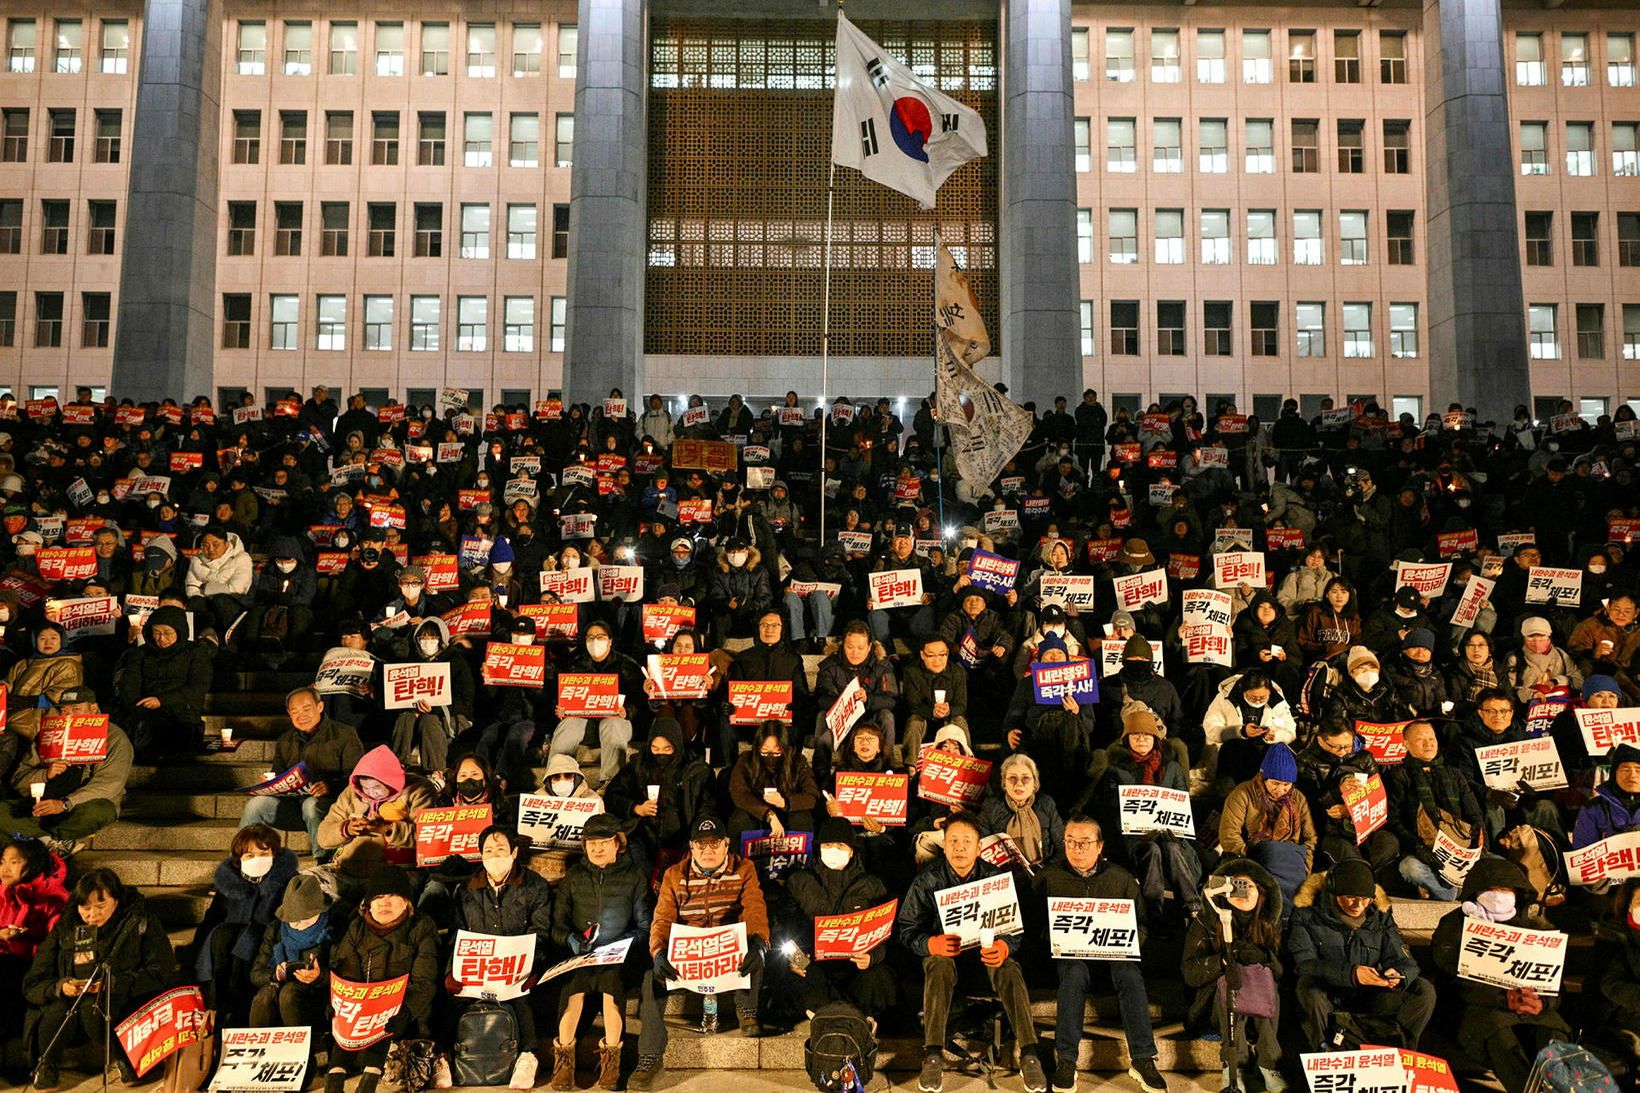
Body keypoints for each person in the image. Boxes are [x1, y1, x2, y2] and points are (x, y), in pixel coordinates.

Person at [896, 813, 1046, 1093]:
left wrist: (1005, 946)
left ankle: (1029, 1053)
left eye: (967, 841)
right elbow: (906, 929)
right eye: (953, 840)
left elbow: (1015, 930)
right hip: (946, 962)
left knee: (1010, 967)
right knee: (937, 963)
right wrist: (930, 943)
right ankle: (932, 1053)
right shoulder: (928, 880)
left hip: (984, 960)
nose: (960, 847)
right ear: (944, 846)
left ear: (978, 848)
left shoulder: (996, 877)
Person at [634, 816, 770, 1092]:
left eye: (714, 844)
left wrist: (759, 942)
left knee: (757, 942)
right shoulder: (674, 874)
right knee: (651, 978)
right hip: (691, 953)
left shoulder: (744, 869)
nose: (708, 851)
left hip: (727, 950)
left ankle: (746, 1006)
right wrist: (659, 952)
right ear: (692, 847)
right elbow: (662, 919)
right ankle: (649, 1056)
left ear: (726, 845)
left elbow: (754, 908)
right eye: (701, 845)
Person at [1034, 815, 1168, 1093]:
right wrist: (1056, 939)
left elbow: (1142, 924)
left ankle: (1143, 1058)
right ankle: (1067, 1060)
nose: (1077, 849)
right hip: (1069, 960)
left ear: (1099, 846)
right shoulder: (1049, 876)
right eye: (1070, 841)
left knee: (1129, 973)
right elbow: (1033, 924)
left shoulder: (1120, 879)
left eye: (1084, 842)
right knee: (1073, 972)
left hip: (1112, 959)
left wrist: (1129, 944)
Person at [23, 868, 177, 1089]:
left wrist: (114, 983)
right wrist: (60, 986)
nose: (92, 914)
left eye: (101, 906)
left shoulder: (139, 922)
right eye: (85, 908)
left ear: (116, 900)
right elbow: (33, 983)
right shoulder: (66, 928)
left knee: (93, 1008)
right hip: (71, 1002)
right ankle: (47, 1063)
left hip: (120, 997)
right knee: (58, 1009)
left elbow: (160, 971)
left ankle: (126, 1059)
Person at [1431, 858, 1571, 1093]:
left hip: (1533, 1010)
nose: (1499, 895)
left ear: (1517, 892)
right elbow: (1451, 976)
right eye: (1492, 889)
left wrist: (1543, 1001)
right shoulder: (1454, 925)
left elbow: (1556, 982)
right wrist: (1500, 998)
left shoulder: (1535, 930)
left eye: (1505, 889)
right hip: (1483, 1009)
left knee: (1553, 1035)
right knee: (1499, 1035)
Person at [439, 826, 554, 1092]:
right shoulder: (467, 889)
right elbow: (458, 934)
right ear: (480, 855)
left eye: (501, 849)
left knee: (521, 997)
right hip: (479, 966)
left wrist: (532, 966)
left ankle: (528, 1056)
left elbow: (540, 931)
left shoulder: (534, 885)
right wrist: (450, 971)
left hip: (517, 965)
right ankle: (444, 1056)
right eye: (488, 850)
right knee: (452, 998)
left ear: (514, 852)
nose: (495, 855)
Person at [1287, 858, 1436, 1051]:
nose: (1358, 905)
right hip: (1329, 995)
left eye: (1365, 899)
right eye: (1350, 897)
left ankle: (1401, 1049)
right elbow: (1304, 963)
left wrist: (1398, 975)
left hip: (1370, 996)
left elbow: (1404, 960)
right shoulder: (1306, 916)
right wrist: (1351, 973)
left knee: (1422, 989)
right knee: (1307, 987)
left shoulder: (1380, 918)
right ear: (1334, 891)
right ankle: (1324, 1052)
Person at [550, 813, 652, 1092]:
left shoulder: (634, 876)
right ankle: (564, 1061)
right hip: (582, 954)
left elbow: (644, 927)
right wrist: (571, 939)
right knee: (573, 991)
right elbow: (556, 925)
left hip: (618, 955)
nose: (597, 848)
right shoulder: (574, 877)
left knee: (611, 989)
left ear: (617, 843)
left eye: (604, 842)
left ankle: (611, 1061)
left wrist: (621, 944)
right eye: (591, 843)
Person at [326, 867, 441, 1093]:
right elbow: (346, 971)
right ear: (368, 904)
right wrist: (337, 1003)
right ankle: (334, 1080)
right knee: (344, 1017)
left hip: (404, 1013)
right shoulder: (357, 927)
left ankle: (368, 1082)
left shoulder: (421, 927)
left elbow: (425, 981)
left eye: (392, 896)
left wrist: (406, 1011)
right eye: (377, 897)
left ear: (406, 902)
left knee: (385, 1023)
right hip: (362, 1012)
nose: (384, 903)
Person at [1180, 859, 1286, 1092]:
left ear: (1261, 891)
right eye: (1237, 885)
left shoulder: (1269, 923)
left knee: (1266, 978)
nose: (1244, 892)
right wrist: (1222, 961)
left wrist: (1264, 958)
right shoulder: (1206, 923)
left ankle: (1269, 1063)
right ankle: (1233, 1064)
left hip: (1260, 1008)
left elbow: (1283, 973)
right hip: (1215, 1006)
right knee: (1229, 980)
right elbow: (1190, 973)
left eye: (1250, 886)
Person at [782, 816, 896, 1020]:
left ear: (852, 850)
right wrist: (795, 959)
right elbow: (783, 929)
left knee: (879, 978)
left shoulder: (871, 884)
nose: (833, 850)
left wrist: (872, 957)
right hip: (814, 964)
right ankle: (841, 1017)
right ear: (819, 848)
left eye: (840, 845)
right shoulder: (799, 881)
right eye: (827, 845)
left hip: (856, 965)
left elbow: (885, 932)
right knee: (801, 980)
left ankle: (861, 1020)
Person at [191, 823, 301, 1026]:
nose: (257, 859)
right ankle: (218, 1008)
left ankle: (233, 1012)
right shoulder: (230, 883)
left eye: (264, 852)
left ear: (275, 853)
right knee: (222, 934)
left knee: (249, 937)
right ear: (239, 859)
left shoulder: (289, 881)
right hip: (227, 948)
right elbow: (212, 919)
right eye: (249, 855)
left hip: (266, 949)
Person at [241, 686, 365, 860]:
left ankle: (323, 860)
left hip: (329, 808)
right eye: (294, 712)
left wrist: (330, 786)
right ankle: (242, 859)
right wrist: (268, 784)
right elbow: (278, 774)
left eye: (307, 709)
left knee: (311, 804)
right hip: (293, 806)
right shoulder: (286, 740)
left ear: (320, 707)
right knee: (256, 805)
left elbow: (358, 779)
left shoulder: (344, 734)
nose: (301, 716)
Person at [4, 688, 132, 854]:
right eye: (63, 711)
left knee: (98, 811)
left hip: (79, 806)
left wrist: (65, 804)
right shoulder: (49, 733)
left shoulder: (114, 737)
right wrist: (45, 774)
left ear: (93, 709)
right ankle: (47, 841)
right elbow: (18, 778)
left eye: (76, 709)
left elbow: (109, 784)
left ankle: (43, 839)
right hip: (44, 803)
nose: (68, 716)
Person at [1385, 722, 1483, 900]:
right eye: (1420, 740)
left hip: (1458, 847)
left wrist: (1477, 847)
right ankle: (1451, 893)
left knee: (1500, 865)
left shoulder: (1454, 773)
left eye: (1431, 739)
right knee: (1410, 868)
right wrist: (1418, 848)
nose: (1428, 744)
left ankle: (1455, 888)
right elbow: (1393, 819)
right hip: (1423, 850)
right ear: (1406, 744)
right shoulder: (1398, 775)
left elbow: (1475, 814)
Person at [316, 745, 439, 887]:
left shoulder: (418, 790)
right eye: (365, 788)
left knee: (381, 897)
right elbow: (323, 836)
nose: (371, 793)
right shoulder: (352, 793)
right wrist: (347, 829)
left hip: (396, 871)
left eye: (377, 788)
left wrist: (387, 829)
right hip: (347, 868)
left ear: (391, 781)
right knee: (305, 884)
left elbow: (427, 836)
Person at [248, 873, 335, 1066]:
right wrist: (275, 974)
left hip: (318, 999)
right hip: (279, 993)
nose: (298, 924)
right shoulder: (277, 929)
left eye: (305, 918)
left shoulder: (334, 927)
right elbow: (256, 973)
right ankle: (257, 1062)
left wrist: (319, 976)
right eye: (292, 919)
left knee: (289, 993)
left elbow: (346, 975)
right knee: (265, 995)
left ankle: (303, 1062)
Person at [114, 603, 213, 761]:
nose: (162, 639)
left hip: (181, 710)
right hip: (145, 710)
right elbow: (130, 684)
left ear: (179, 632)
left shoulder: (195, 652)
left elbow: (199, 685)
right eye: (156, 633)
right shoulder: (141, 653)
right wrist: (137, 705)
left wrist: (162, 701)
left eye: (168, 633)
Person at [549, 621, 642, 787]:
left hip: (616, 722)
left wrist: (628, 711)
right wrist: (561, 708)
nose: (595, 641)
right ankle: (555, 779)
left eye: (600, 637)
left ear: (610, 641)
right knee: (568, 725)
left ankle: (611, 784)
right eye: (590, 637)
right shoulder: (575, 664)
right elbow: (563, 693)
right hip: (585, 726)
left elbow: (639, 697)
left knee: (612, 724)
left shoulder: (626, 664)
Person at [0, 838, 68, 1034]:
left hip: (32, 965)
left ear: (33, 863)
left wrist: (28, 937)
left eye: (15, 862)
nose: (5, 868)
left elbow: (58, 941)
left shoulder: (54, 897)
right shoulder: (2, 891)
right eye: (3, 861)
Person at [726, 721, 821, 843]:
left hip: (787, 813)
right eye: (764, 750)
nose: (770, 756)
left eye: (777, 751)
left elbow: (811, 795)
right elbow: (738, 792)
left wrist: (785, 802)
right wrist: (768, 814)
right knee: (740, 819)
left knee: (801, 818)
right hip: (758, 813)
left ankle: (802, 859)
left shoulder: (797, 761)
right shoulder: (746, 760)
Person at [977, 752, 1064, 871]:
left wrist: (1046, 872)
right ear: (1004, 784)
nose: (1019, 783)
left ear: (1035, 783)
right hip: (1007, 875)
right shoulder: (991, 807)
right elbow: (982, 849)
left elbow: (1062, 845)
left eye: (1026, 778)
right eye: (1012, 778)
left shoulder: (1046, 803)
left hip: (1046, 871)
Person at [3, 623, 83, 741]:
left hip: (42, 726)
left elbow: (64, 695)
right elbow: (6, 684)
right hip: (11, 719)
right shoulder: (22, 665)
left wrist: (30, 701)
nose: (48, 642)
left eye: (53, 638)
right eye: (42, 638)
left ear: (62, 640)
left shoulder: (68, 665)